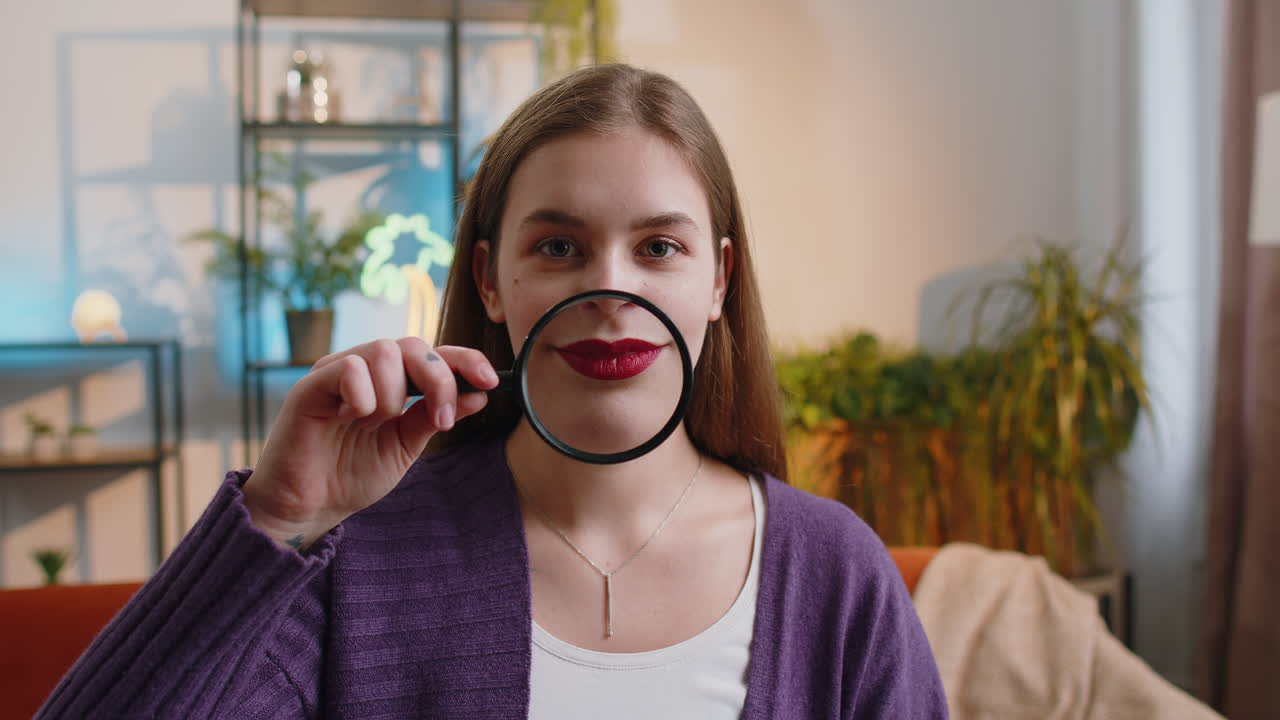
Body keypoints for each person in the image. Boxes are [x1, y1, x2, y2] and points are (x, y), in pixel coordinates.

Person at [37, 64, 947, 719]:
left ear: (716, 282)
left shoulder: (834, 572)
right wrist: (274, 517)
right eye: (558, 246)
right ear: (489, 281)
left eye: (658, 247)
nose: (612, 293)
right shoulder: (361, 561)